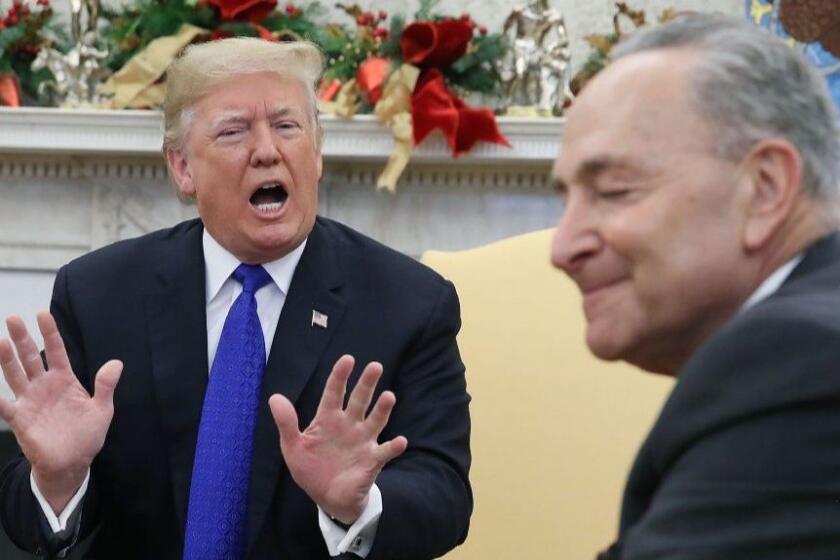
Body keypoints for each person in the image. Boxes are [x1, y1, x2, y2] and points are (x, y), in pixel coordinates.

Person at [0, 38, 471, 559]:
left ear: (316, 153)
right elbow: (24, 514)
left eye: (288, 127)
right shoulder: (98, 294)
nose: (268, 150)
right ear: (182, 168)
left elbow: (446, 497)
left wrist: (358, 505)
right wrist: (58, 479)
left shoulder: (409, 302)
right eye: (233, 131)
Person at [550, 14, 840, 559]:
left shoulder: (798, 361)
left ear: (765, 189)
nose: (561, 249)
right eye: (564, 200)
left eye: (613, 190)